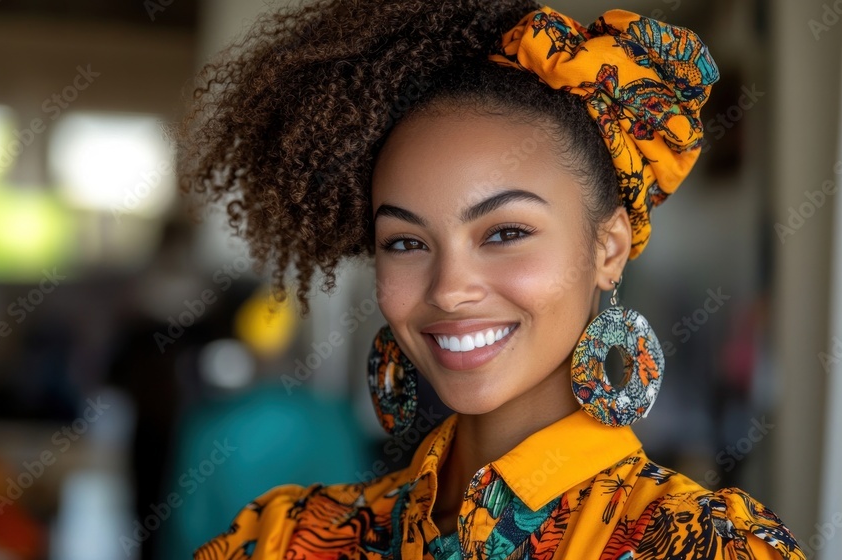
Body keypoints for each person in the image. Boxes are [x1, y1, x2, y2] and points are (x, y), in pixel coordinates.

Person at [175, 0, 805, 558]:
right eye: (406, 242)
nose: (449, 288)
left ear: (608, 248)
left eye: (504, 233)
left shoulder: (704, 549)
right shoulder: (287, 540)